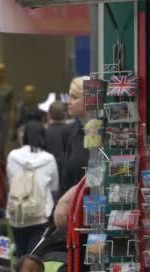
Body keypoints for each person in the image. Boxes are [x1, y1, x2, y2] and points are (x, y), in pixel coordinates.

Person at [6, 121, 58, 256]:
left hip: (17, 214)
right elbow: (54, 187)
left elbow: (9, 179)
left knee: (20, 255)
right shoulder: (49, 159)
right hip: (40, 215)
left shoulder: (13, 156)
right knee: (35, 256)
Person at [53, 76, 91, 230]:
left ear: (88, 100)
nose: (69, 101)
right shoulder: (73, 134)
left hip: (92, 217)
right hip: (71, 220)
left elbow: (100, 173)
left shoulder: (101, 133)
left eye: (74, 97)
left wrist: (67, 198)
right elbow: (65, 179)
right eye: (69, 96)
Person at [45, 101, 70, 195]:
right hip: (66, 176)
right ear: (65, 114)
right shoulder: (72, 131)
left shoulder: (44, 132)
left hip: (48, 175)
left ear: (49, 115)